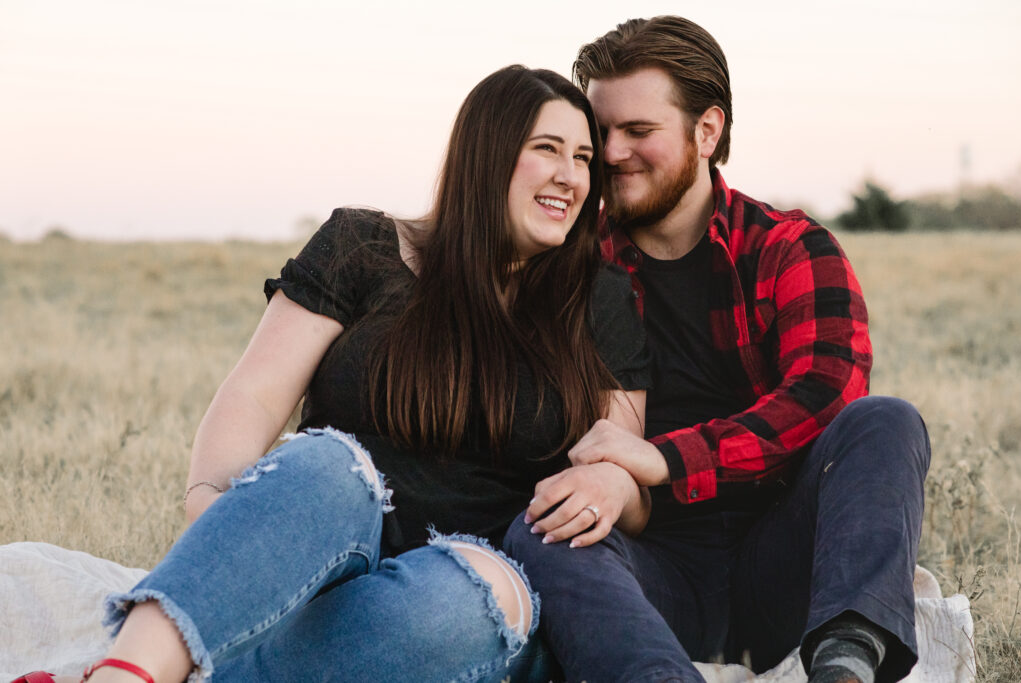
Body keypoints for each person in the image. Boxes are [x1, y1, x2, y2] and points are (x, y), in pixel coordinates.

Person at [13, 65, 651, 683]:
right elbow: (256, 396)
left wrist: (616, 482)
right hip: (319, 553)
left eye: (584, 158)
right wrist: (210, 501)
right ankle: (125, 675)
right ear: (485, 155)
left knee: (468, 600)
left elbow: (619, 472)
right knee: (326, 463)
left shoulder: (598, 300)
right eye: (548, 149)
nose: (571, 176)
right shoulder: (361, 246)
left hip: (463, 593)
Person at [504, 16, 931, 683]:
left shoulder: (789, 248)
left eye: (639, 131)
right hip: (651, 570)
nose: (611, 152)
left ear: (707, 130)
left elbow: (825, 393)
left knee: (886, 420)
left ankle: (845, 667)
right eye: (600, 131)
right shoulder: (571, 269)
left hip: (782, 561)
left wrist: (662, 458)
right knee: (544, 528)